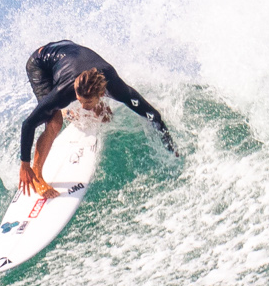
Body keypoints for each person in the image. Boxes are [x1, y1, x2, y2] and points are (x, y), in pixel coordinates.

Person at [17, 39, 177, 197]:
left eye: (86, 102)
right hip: (40, 63)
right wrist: (25, 164)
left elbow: (153, 115)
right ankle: (37, 174)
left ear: (102, 94)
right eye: (79, 100)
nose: (82, 104)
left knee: (105, 115)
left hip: (69, 52)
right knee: (54, 122)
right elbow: (28, 124)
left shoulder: (117, 87)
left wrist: (171, 148)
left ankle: (70, 113)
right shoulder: (64, 91)